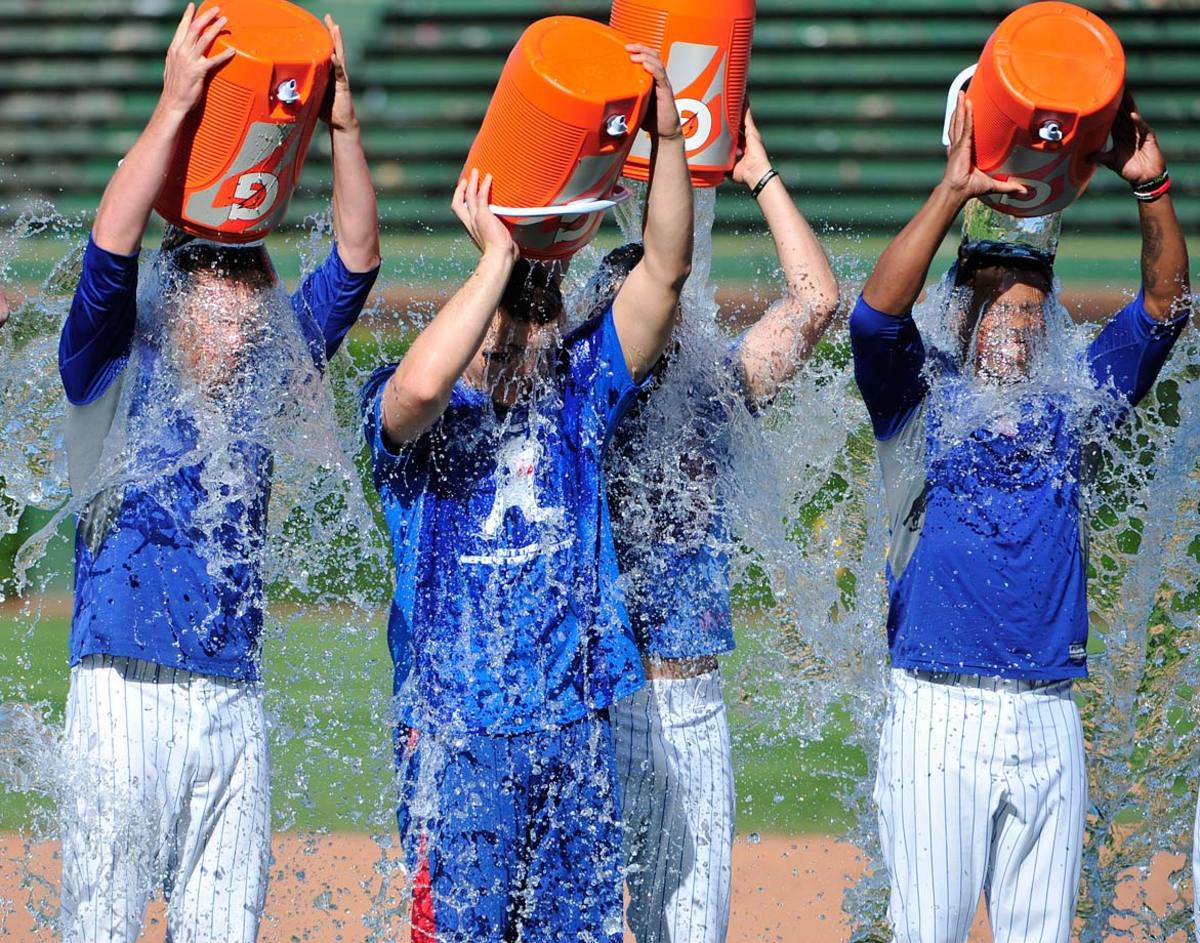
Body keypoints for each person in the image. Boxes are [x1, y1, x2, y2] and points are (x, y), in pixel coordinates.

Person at [58, 7, 380, 941]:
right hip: (122, 687)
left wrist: (342, 127)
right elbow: (110, 247)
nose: (255, 310)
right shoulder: (111, 364)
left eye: (260, 289)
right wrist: (175, 104)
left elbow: (357, 259)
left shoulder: (272, 368)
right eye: (238, 290)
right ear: (184, 296)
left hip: (232, 694)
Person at [360, 44, 691, 943]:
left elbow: (662, 272)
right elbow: (420, 392)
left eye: (519, 348)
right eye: (488, 346)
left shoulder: (579, 388)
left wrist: (663, 132)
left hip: (574, 734)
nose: (501, 365)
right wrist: (497, 260)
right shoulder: (414, 415)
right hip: (456, 742)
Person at [851, 90, 1189, 943]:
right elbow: (874, 314)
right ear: (961, 313)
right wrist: (954, 191)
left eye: (1030, 308)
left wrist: (1152, 190)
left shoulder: (1074, 406)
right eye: (996, 304)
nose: (1014, 323)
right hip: (937, 708)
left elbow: (1163, 311)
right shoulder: (920, 399)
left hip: (1048, 712)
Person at [600, 108, 839, 943]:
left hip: (692, 705)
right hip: (597, 700)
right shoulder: (582, 406)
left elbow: (816, 302)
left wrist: (760, 174)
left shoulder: (713, 394)